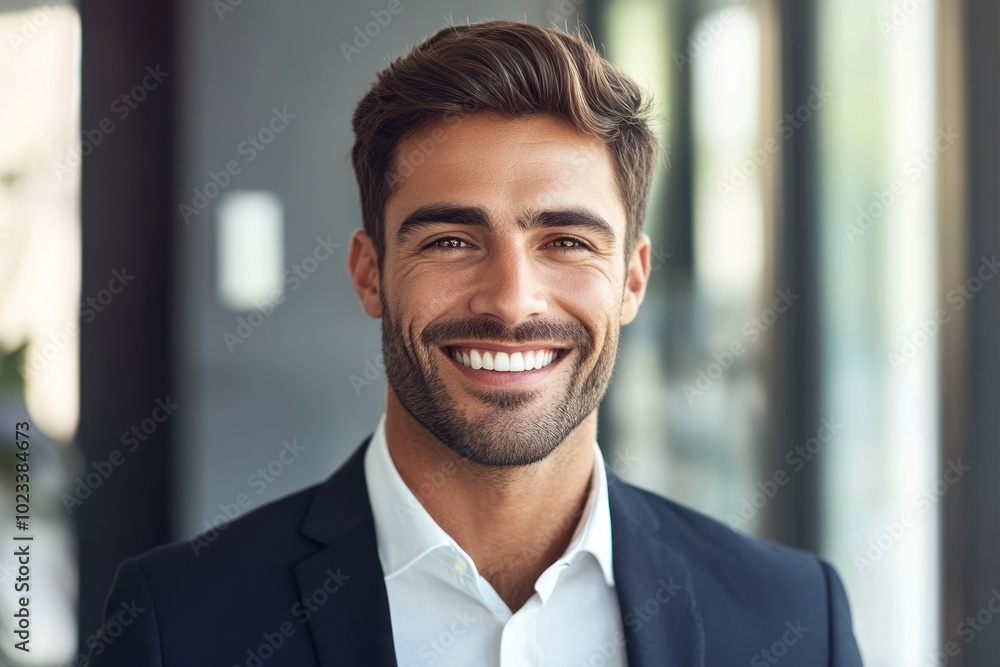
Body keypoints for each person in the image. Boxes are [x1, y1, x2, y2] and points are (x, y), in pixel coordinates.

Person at [88, 19, 863, 666]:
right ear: (370, 273)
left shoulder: (793, 619)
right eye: (453, 241)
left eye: (565, 241)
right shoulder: (177, 625)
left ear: (632, 280)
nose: (511, 302)